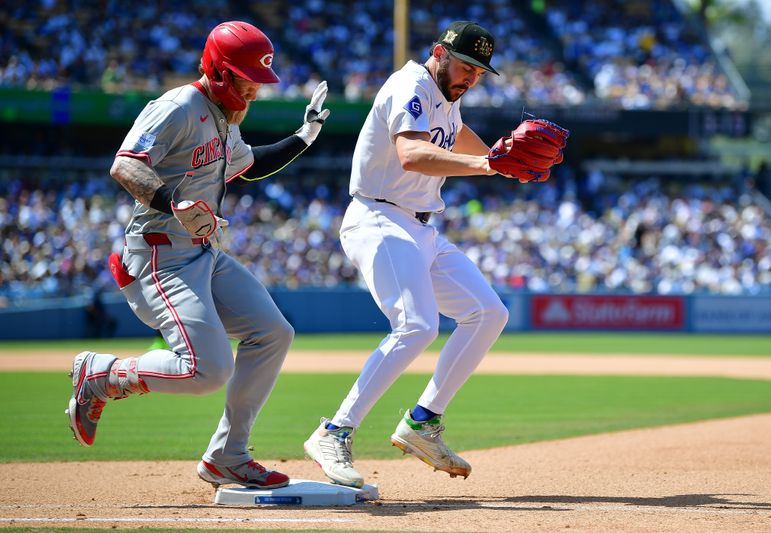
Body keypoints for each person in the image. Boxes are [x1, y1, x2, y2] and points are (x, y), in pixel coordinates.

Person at [66, 21, 330, 490]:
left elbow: (248, 167)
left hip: (203, 253)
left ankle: (227, 456)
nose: (255, 90)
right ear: (221, 71)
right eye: (248, 79)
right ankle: (102, 374)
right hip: (161, 253)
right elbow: (124, 164)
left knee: (273, 333)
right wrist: (174, 202)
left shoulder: (225, 116)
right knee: (207, 369)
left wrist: (304, 136)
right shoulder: (180, 105)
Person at [304, 21, 515, 488]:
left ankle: (423, 422)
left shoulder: (446, 100)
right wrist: (487, 164)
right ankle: (333, 431)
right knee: (417, 325)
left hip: (420, 227)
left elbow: (458, 137)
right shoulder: (411, 85)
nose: (471, 77)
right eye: (466, 65)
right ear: (439, 52)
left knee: (488, 313)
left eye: (480, 71)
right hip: (378, 218)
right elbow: (413, 155)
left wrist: (503, 159)